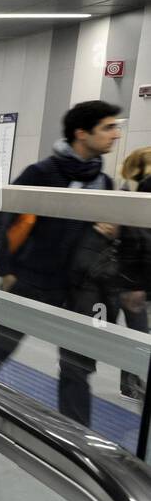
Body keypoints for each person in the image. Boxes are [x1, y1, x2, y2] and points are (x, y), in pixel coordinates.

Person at [0, 100, 122, 427]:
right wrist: (7, 271)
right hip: (31, 281)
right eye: (108, 127)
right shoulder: (41, 173)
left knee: (77, 367)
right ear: (81, 134)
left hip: (77, 290)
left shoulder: (104, 182)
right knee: (1, 346)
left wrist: (110, 233)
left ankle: (77, 437)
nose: (116, 135)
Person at [116, 148, 151, 399]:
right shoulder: (131, 196)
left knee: (136, 333)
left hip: (134, 279)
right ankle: (134, 384)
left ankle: (131, 384)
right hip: (131, 280)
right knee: (136, 333)